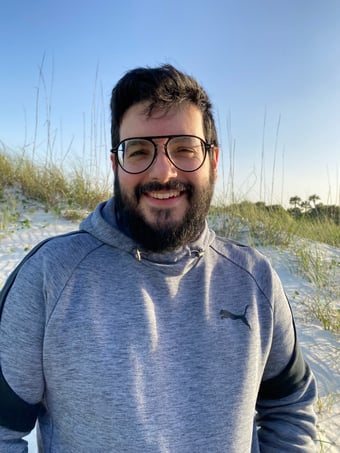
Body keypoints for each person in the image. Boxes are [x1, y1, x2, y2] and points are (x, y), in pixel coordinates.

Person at [0, 64, 317, 452]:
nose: (163, 172)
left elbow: (290, 405)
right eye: (139, 151)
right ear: (117, 166)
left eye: (184, 148)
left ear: (213, 162)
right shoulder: (48, 277)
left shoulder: (255, 280)